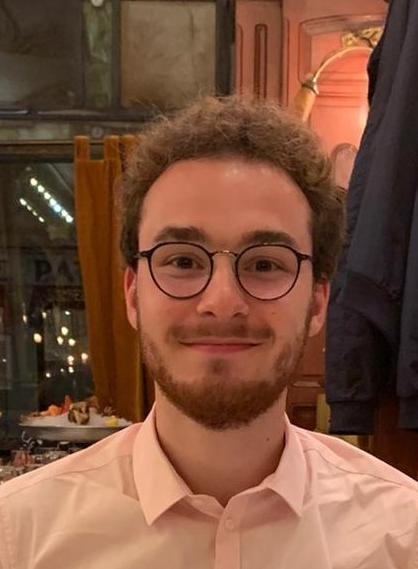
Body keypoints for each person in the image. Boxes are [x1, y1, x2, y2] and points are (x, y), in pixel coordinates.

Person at [0, 97, 416, 569]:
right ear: (133, 294)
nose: (221, 301)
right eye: (182, 260)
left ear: (318, 301)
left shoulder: (403, 535)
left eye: (265, 264)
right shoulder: (18, 538)